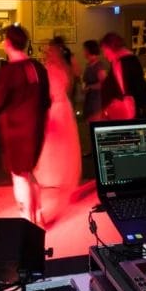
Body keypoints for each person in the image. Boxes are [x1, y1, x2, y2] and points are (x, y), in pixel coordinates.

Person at [0, 25, 50, 226]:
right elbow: (46, 101)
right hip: (36, 129)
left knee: (19, 176)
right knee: (29, 172)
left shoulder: (10, 71)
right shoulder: (38, 67)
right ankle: (38, 215)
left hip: (16, 131)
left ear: (7, 43)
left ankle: (28, 223)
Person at [33, 38, 82, 205]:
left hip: (55, 107)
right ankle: (60, 176)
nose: (47, 52)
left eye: (49, 50)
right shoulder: (65, 66)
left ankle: (54, 176)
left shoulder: (50, 68)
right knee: (62, 143)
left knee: (56, 143)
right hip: (64, 106)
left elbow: (47, 90)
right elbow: (69, 87)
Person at [99, 32, 146, 119]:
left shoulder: (119, 62)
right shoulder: (131, 59)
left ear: (112, 47)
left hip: (126, 112)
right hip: (135, 108)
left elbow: (118, 89)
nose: (104, 55)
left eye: (104, 50)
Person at [81, 39, 107, 122]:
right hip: (89, 99)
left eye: (84, 49)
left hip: (96, 101)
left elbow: (104, 83)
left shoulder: (98, 65)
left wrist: (90, 87)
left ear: (88, 50)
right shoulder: (89, 64)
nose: (83, 52)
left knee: (94, 122)